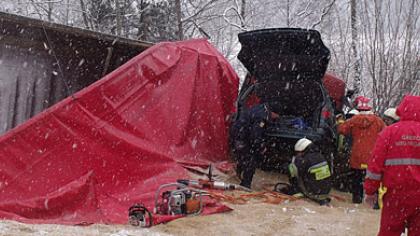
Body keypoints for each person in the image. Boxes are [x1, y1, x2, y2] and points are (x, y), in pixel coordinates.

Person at [364, 95, 420, 236]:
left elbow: (375, 165)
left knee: (389, 232)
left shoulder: (389, 132)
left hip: (396, 196)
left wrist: (371, 191)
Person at [338, 96, 385, 203]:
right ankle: (374, 202)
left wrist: (341, 121)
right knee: (373, 179)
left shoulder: (353, 120)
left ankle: (357, 199)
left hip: (357, 155)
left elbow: (341, 130)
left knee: (357, 179)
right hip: (372, 156)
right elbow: (386, 135)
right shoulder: (378, 121)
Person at [231, 103, 278, 188]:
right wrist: (261, 147)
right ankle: (245, 185)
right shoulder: (261, 117)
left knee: (243, 157)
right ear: (273, 113)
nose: (275, 118)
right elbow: (255, 135)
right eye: (276, 116)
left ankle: (239, 172)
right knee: (250, 162)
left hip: (238, 134)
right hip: (242, 138)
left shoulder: (260, 108)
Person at [277, 138, 332, 205]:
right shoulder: (320, 156)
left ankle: (301, 192)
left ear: (303, 150)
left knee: (292, 168)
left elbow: (296, 175)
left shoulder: (304, 160)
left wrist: (287, 166)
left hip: (312, 194)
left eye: (298, 152)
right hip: (324, 194)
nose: (297, 154)